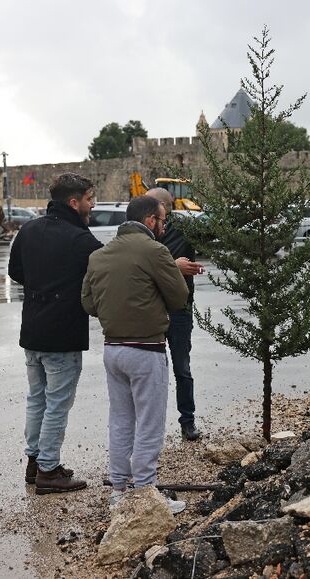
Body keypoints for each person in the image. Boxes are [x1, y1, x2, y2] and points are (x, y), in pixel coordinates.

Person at [81, 196, 189, 513]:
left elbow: (88, 304)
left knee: (121, 421)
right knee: (150, 424)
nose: (165, 226)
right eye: (163, 220)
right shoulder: (156, 251)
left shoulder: (99, 255)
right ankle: (145, 492)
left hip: (113, 349)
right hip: (146, 349)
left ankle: (118, 491)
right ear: (150, 220)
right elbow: (179, 297)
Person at [8, 172, 102, 495]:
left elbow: (14, 271)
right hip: (62, 335)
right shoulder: (81, 240)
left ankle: (35, 463)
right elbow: (101, 274)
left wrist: (41, 285)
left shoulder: (28, 230)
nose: (93, 205)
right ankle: (49, 469)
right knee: (57, 402)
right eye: (89, 199)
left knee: (37, 399)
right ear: (74, 202)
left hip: (32, 330)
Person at [145, 188, 205, 441]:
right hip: (150, 308)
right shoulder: (141, 232)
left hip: (179, 309)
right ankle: (150, 426)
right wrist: (174, 266)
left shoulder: (185, 228)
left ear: (163, 206)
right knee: (151, 370)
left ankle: (187, 421)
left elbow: (215, 232)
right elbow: (142, 265)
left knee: (182, 367)